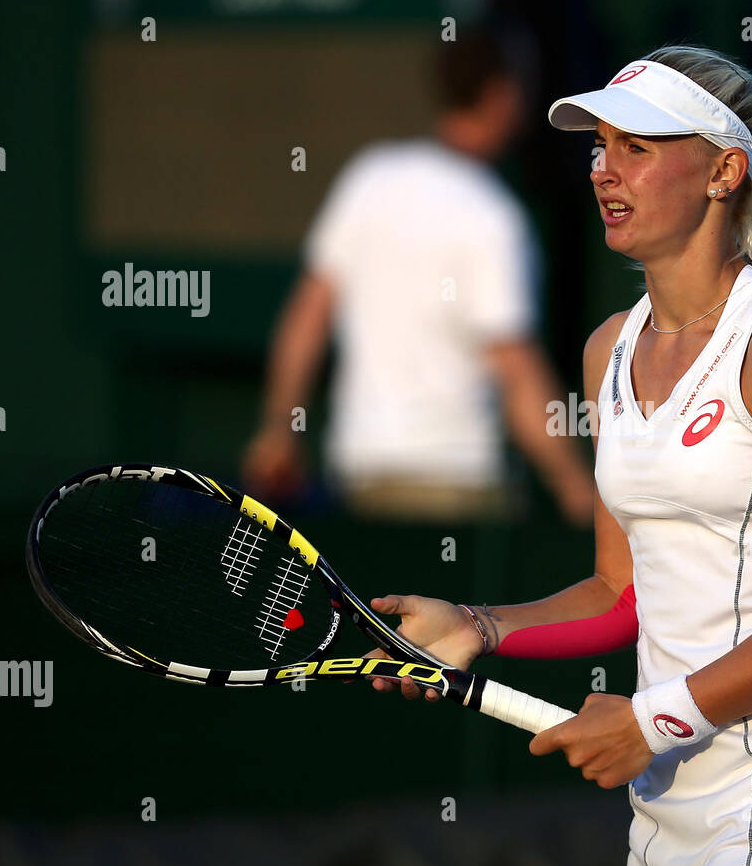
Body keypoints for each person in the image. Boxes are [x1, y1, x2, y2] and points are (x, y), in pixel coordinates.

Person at [365, 45, 752, 866]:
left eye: (636, 147)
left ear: (723, 172)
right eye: (599, 146)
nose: (605, 170)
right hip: (666, 811)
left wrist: (651, 719)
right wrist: (479, 626)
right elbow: (618, 593)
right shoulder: (608, 351)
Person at [242, 26, 594, 525]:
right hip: (458, 489)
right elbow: (514, 368)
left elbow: (309, 311)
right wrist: (578, 491)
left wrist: (278, 428)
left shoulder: (369, 178)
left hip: (360, 478)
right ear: (501, 96)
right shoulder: (493, 218)